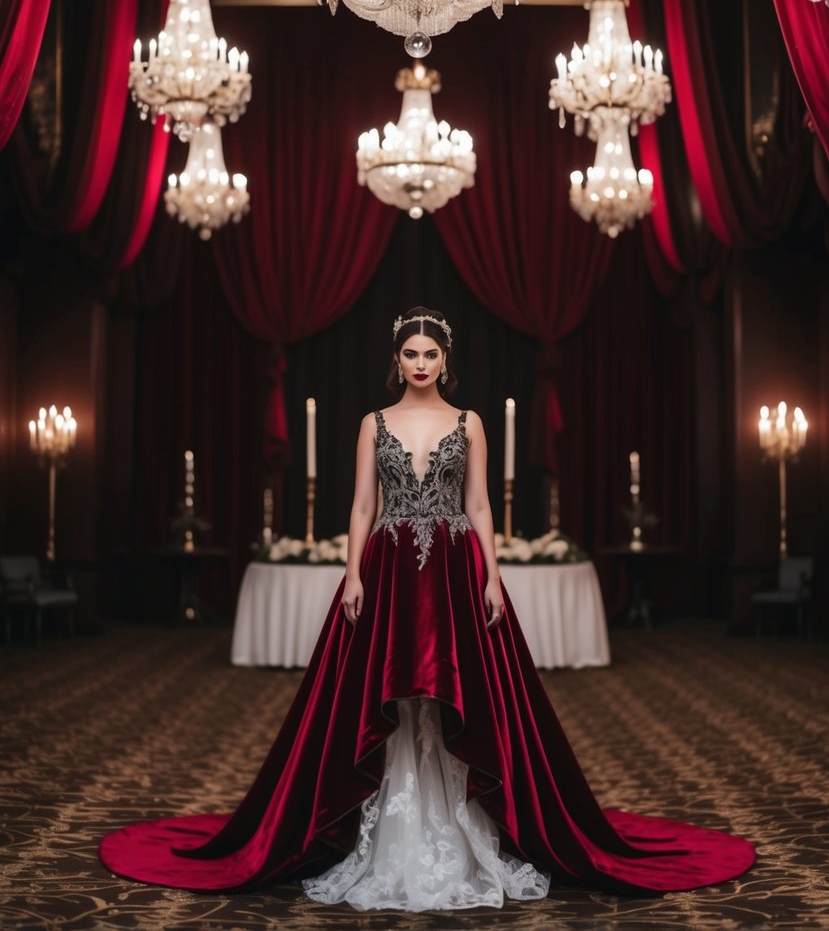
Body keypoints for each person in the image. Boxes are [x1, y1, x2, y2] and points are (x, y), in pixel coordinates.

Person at [99, 307, 755, 910]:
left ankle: (459, 829)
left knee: (457, 690)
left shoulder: (468, 422)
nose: (419, 362)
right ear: (397, 359)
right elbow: (360, 506)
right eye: (410, 352)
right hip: (387, 568)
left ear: (445, 360)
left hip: (454, 566)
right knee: (384, 692)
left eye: (430, 353)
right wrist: (351, 573)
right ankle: (388, 826)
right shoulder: (372, 423)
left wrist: (493, 577)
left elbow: (478, 505)